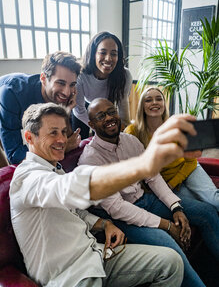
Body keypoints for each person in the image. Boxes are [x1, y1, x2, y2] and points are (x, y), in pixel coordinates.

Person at [9, 102, 189, 287]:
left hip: (96, 255)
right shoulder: (26, 178)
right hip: (71, 275)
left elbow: (75, 212)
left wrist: (104, 224)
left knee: (171, 262)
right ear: (30, 138)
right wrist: (143, 165)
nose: (62, 140)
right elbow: (69, 188)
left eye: (64, 132)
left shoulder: (55, 170)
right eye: (53, 132)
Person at [78, 98, 219, 287]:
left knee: (206, 212)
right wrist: (167, 226)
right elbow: (117, 208)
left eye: (111, 112)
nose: (109, 118)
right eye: (101, 116)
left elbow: (153, 177)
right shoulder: (89, 159)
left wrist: (175, 206)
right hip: (121, 218)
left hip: (146, 200)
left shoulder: (131, 141)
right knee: (170, 246)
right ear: (91, 124)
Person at [125, 87, 219, 211]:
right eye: (148, 100)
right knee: (204, 207)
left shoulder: (175, 126)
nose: (154, 102)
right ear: (142, 105)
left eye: (159, 99)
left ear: (164, 104)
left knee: (214, 201)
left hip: (188, 169)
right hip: (163, 181)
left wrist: (172, 183)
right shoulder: (132, 132)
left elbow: (191, 161)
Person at [0, 51, 82, 164]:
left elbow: (70, 140)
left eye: (72, 84)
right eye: (61, 83)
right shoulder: (12, 93)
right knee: (6, 168)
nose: (67, 93)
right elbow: (14, 155)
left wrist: (66, 112)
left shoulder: (63, 96)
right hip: (6, 103)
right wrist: (64, 146)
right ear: (43, 79)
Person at [72, 31, 132, 139]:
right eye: (103, 52)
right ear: (93, 54)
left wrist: (126, 132)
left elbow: (122, 104)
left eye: (113, 54)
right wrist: (100, 129)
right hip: (84, 108)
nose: (108, 58)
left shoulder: (125, 75)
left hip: (107, 108)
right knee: (80, 141)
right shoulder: (81, 74)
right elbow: (79, 110)